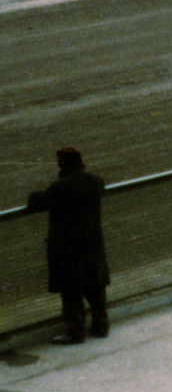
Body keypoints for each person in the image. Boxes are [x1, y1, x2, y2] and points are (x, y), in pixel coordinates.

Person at [26, 146, 110, 345]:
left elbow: (35, 202)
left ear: (61, 166)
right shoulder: (96, 182)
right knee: (95, 285)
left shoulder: (59, 187)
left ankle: (75, 332)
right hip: (92, 243)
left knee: (71, 291)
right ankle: (101, 325)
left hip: (67, 247)